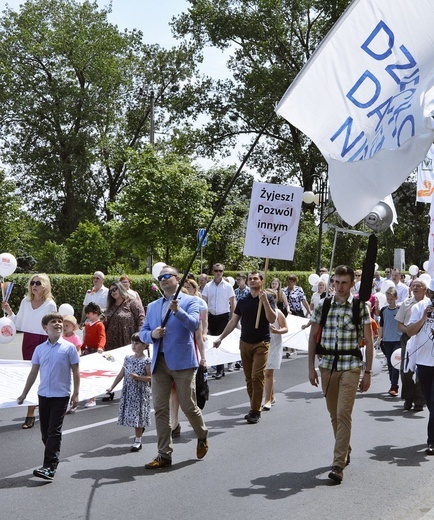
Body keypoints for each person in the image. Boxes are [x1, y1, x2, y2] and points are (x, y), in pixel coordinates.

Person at [308, 265, 374, 484]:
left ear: (351, 284)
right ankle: (345, 447)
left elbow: (369, 341)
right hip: (327, 365)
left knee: (343, 412)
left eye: (345, 282)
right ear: (333, 282)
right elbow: (313, 336)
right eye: (337, 282)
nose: (341, 287)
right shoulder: (323, 305)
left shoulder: (360, 307)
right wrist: (310, 367)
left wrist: (368, 372)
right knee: (334, 414)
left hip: (351, 365)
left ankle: (338, 464)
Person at [140, 265, 208, 469]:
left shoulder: (191, 301)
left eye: (167, 276)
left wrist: (177, 311)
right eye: (160, 277)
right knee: (160, 409)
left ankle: (202, 434)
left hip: (182, 363)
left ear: (177, 279)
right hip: (159, 363)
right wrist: (152, 335)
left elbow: (194, 326)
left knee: (188, 406)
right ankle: (164, 454)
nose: (163, 279)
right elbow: (142, 332)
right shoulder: (152, 306)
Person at [17, 312, 80, 481]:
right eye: (54, 322)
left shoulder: (69, 348)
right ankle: (53, 455)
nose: (58, 324)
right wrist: (24, 393)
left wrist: (76, 393)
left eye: (60, 322)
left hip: (61, 396)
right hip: (43, 394)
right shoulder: (40, 349)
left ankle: (49, 467)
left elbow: (75, 371)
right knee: (45, 433)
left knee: (53, 431)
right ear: (46, 327)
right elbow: (33, 372)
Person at [213, 271, 276, 424]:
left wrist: (265, 302)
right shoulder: (242, 301)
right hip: (245, 343)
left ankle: (255, 411)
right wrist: (221, 337)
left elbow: (272, 319)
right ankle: (253, 406)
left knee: (257, 376)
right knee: (249, 378)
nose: (252, 281)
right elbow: (233, 321)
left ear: (262, 281)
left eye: (256, 278)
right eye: (250, 279)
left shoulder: (268, 297)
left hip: (262, 343)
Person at [2, 273, 57, 429]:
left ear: (45, 285)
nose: (34, 285)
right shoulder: (25, 301)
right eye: (32, 282)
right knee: (30, 375)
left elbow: (53, 326)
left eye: (38, 283)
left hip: (43, 341)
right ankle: (38, 405)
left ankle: (31, 413)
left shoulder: (50, 304)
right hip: (28, 340)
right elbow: (19, 323)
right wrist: (9, 311)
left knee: (41, 376)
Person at [169, 279, 208, 436]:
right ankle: (174, 424)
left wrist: (203, 359)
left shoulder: (193, 316)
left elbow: (198, 338)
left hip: (188, 358)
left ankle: (198, 427)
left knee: (188, 398)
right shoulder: (168, 314)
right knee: (173, 393)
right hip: (172, 358)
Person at [105, 333, 152, 452]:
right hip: (129, 391)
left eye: (137, 343)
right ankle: (139, 432)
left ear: (144, 345)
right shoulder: (128, 358)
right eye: (132, 343)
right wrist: (112, 387)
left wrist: (139, 378)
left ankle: (138, 440)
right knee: (131, 415)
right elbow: (121, 374)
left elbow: (150, 378)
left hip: (140, 392)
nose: (134, 345)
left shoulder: (147, 361)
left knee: (138, 416)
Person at [407, 279, 434, 454]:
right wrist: (424, 317)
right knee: (431, 404)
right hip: (424, 363)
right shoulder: (419, 307)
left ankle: (431, 440)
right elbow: (410, 331)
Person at [395, 279, 428, 411]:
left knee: (422, 370)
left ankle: (419, 400)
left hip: (424, 339)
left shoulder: (428, 303)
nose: (415, 287)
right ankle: (408, 398)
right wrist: (409, 330)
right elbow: (399, 324)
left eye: (418, 286)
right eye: (413, 285)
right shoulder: (406, 303)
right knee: (405, 370)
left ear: (425, 289)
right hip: (408, 338)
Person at [202, 263, 235, 379]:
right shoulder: (207, 286)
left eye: (220, 271)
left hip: (223, 316)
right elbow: (204, 302)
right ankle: (215, 366)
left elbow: (232, 303)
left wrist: (233, 318)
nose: (218, 273)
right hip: (211, 316)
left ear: (223, 272)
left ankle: (220, 369)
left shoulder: (228, 286)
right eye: (216, 270)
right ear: (212, 272)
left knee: (218, 341)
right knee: (210, 341)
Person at [262, 289, 288, 411]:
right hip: (262, 345)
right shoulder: (260, 313)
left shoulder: (278, 313)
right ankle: (271, 396)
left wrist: (277, 331)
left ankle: (267, 400)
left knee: (268, 373)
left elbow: (285, 328)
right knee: (265, 374)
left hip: (274, 346)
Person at [104, 281, 145, 352]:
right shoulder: (111, 305)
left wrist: (140, 335)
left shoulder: (132, 302)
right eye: (110, 291)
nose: (112, 292)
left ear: (120, 288)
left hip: (127, 337)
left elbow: (141, 318)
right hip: (111, 341)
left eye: (114, 289)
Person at [81, 302, 106, 408]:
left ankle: (92, 398)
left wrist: (100, 347)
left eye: (89, 313)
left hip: (96, 351)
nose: (87, 315)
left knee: (93, 375)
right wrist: (81, 348)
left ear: (96, 313)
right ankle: (88, 395)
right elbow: (86, 339)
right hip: (87, 351)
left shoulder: (99, 325)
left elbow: (102, 337)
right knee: (86, 374)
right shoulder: (87, 325)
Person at [378, 287, 402, 396]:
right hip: (386, 340)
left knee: (396, 361)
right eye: (388, 299)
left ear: (396, 298)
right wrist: (380, 337)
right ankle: (392, 382)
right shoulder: (384, 310)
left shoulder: (400, 309)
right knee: (389, 363)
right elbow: (381, 325)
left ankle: (394, 385)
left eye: (391, 299)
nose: (390, 301)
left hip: (397, 340)